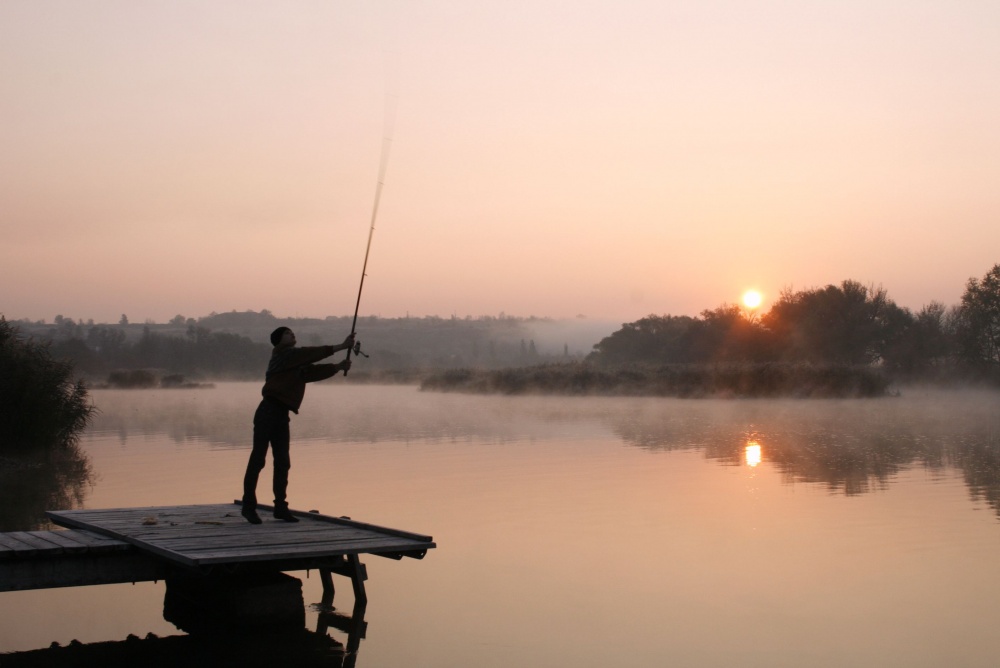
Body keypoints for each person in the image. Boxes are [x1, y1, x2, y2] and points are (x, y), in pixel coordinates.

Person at [241, 326, 355, 524]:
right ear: (278, 341)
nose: (292, 334)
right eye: (287, 333)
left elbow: (310, 372)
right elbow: (308, 354)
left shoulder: (294, 363)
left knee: (283, 462)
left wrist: (336, 367)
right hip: (267, 412)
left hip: (282, 415)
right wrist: (341, 346)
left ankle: (280, 508)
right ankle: (248, 506)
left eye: (292, 332)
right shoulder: (282, 355)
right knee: (258, 459)